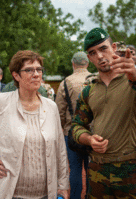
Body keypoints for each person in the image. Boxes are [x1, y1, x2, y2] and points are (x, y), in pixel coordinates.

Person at [71, 28, 136, 198]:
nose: (100, 56)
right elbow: (76, 126)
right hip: (97, 172)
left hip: (133, 172)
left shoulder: (135, 80)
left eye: (103, 49)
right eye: (93, 53)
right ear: (89, 58)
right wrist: (89, 139)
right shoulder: (89, 90)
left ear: (114, 47)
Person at [0, 50, 69, 199]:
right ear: (16, 75)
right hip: (10, 192)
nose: (36, 74)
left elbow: (60, 150)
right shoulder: (0, 102)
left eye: (39, 69)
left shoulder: (51, 107)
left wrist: (63, 186)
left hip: (45, 193)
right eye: (29, 70)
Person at [55, 51, 91, 199]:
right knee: (91, 169)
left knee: (75, 169)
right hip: (93, 132)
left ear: (73, 64)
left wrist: (63, 129)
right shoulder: (95, 79)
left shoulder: (65, 82)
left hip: (71, 133)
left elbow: (59, 111)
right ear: (88, 63)